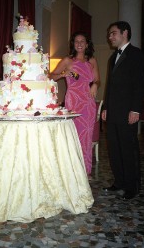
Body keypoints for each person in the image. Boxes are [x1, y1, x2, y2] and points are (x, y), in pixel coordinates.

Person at [102, 21, 144, 200]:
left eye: (113, 33)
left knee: (129, 149)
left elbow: (140, 84)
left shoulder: (136, 54)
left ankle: (132, 186)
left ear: (125, 33)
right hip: (113, 111)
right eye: (109, 34)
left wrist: (135, 109)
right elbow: (109, 86)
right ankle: (119, 182)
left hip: (128, 111)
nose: (110, 37)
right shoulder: (113, 58)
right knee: (114, 148)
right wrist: (105, 107)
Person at [50, 31, 100, 178]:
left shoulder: (92, 61)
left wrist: (95, 85)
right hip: (73, 101)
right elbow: (51, 75)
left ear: (86, 44)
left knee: (86, 136)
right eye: (76, 41)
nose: (79, 44)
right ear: (73, 44)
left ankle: (85, 171)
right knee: (73, 135)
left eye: (82, 41)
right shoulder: (68, 60)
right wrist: (62, 74)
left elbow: (98, 80)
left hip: (88, 102)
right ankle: (72, 170)